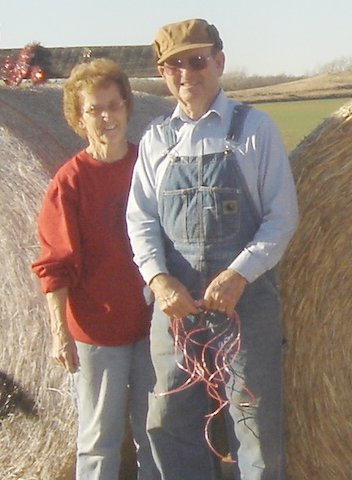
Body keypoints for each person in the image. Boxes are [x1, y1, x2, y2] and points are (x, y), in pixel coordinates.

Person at [126, 18, 299, 480]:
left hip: (246, 306)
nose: (187, 74)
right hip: (177, 309)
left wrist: (239, 274)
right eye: (174, 65)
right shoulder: (156, 141)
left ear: (219, 63)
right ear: (163, 74)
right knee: (168, 424)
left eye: (197, 61)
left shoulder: (255, 130)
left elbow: (282, 218)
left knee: (254, 427)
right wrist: (159, 281)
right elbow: (140, 222)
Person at [32, 58, 160, 480]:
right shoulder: (71, 181)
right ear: (78, 117)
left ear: (126, 106)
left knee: (155, 435)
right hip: (96, 334)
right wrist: (59, 332)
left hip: (152, 327)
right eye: (94, 109)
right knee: (99, 442)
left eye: (113, 105)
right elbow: (55, 262)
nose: (106, 117)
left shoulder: (150, 166)